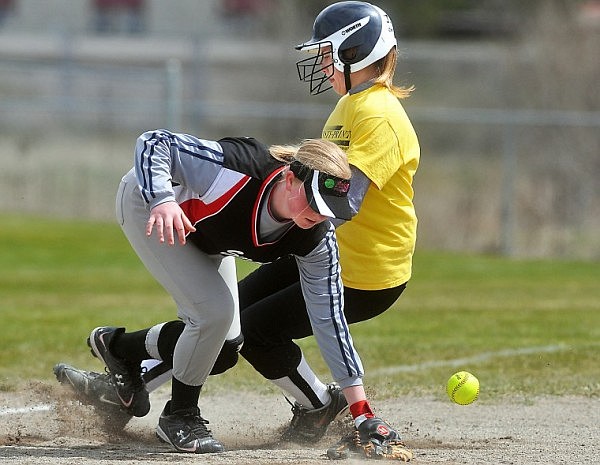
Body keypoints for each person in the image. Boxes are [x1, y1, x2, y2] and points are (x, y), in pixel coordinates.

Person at [55, 0, 418, 456]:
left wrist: (362, 409)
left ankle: (129, 366)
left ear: (356, 51)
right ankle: (131, 368)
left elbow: (342, 200)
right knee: (223, 328)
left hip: (365, 269)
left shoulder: (378, 115)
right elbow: (311, 184)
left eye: (328, 52)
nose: (322, 62)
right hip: (309, 247)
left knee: (232, 327)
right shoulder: (350, 107)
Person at [58, 128, 408, 455]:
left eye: (329, 209)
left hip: (206, 235)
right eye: (313, 201)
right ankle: (179, 417)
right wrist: (161, 200)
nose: (319, 215)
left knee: (225, 348)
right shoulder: (240, 168)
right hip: (153, 208)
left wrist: (363, 413)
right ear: (289, 178)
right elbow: (154, 142)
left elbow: (330, 320)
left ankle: (119, 348)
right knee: (214, 314)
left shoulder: (316, 238)